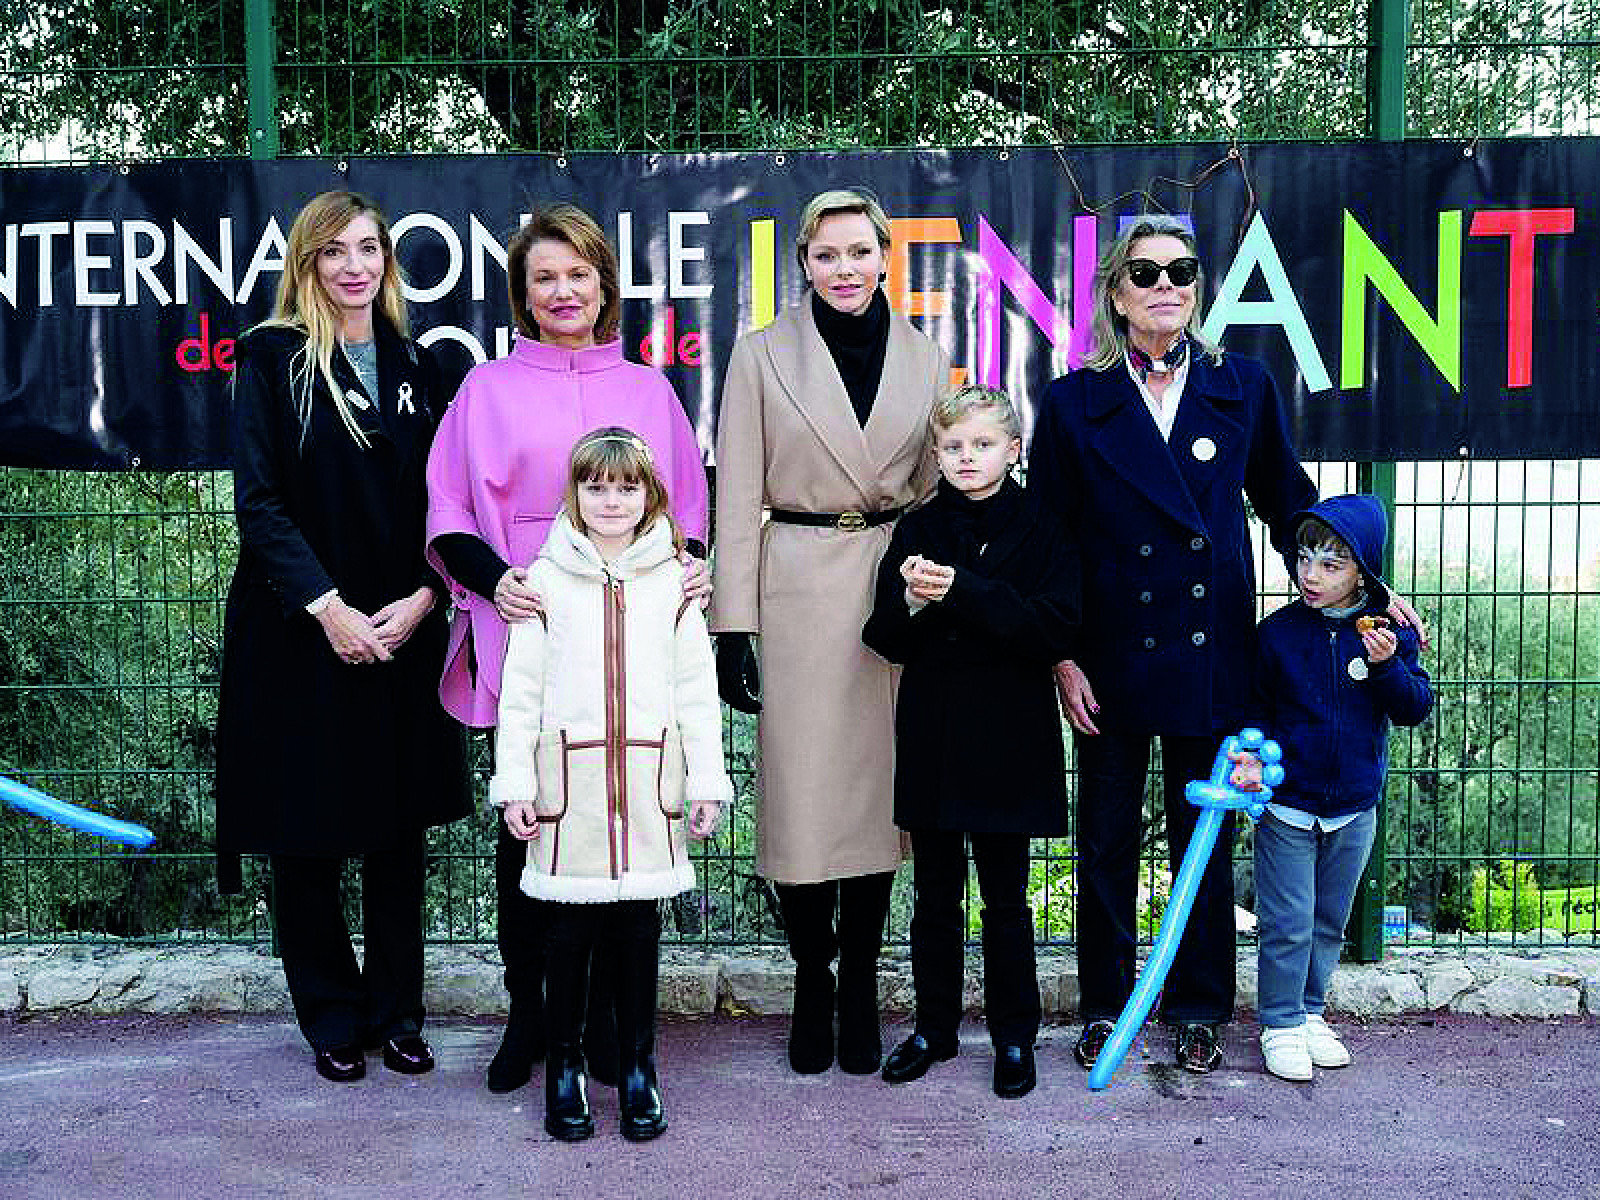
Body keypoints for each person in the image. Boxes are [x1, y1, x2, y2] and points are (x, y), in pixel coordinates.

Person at [425, 204, 710, 1095]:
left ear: (603, 286)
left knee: (627, 828)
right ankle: (533, 1018)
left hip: (633, 652)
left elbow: (688, 514)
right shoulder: (484, 390)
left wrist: (692, 574)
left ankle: (620, 1031)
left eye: (578, 274)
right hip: (531, 623)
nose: (562, 291)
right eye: (544, 277)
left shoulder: (650, 390)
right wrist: (496, 583)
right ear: (523, 291)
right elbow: (449, 512)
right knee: (532, 830)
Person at [1025, 214, 1320, 1075]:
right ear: (1115, 294)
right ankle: (1107, 1005)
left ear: (1198, 288)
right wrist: (1062, 655)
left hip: (1211, 646)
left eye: (1182, 272)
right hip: (1109, 652)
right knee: (1106, 839)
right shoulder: (1074, 401)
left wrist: (1357, 579)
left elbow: (1287, 501)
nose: (1166, 288)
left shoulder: (1245, 386)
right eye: (1146, 274)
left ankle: (1198, 1007)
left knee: (1208, 833)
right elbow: (1053, 538)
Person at [215, 189, 471, 1083]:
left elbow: (448, 504)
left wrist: (424, 598)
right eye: (335, 251)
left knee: (399, 833)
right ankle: (329, 1015)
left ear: (388, 265)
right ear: (307, 265)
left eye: (370, 249)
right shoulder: (269, 358)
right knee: (309, 831)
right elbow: (261, 503)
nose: (354, 266)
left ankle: (397, 1012)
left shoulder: (422, 365)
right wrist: (328, 608)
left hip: (402, 628)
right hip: (301, 634)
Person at [710, 188, 950, 1076]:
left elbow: (939, 491)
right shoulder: (761, 355)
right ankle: (814, 975)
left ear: (884, 254)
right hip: (799, 590)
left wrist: (938, 592)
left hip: (896, 594)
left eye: (859, 253)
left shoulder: (926, 358)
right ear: (802, 262)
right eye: (825, 255)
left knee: (876, 800)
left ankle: (858, 987)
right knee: (805, 798)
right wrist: (731, 624)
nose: (843, 271)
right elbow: (734, 494)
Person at [490, 427, 728, 1142]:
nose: (612, 500)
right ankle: (563, 1069)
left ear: (651, 493)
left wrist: (708, 782)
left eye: (627, 487)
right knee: (566, 935)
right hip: (572, 790)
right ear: (575, 493)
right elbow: (520, 694)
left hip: (650, 786)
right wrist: (514, 784)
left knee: (637, 933)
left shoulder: (676, 581)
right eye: (596, 486)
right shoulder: (543, 581)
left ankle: (636, 1068)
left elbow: (696, 690)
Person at [861, 385, 1079, 1099]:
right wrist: (917, 602)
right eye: (953, 447)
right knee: (933, 895)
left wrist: (963, 592)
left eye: (983, 445)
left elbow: (1054, 627)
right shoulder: (918, 528)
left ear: (1013, 451)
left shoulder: (1045, 524)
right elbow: (882, 636)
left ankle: (1016, 1036)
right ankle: (934, 1027)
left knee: (1008, 900)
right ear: (936, 454)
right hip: (934, 733)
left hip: (1010, 739)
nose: (966, 458)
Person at [1237, 494, 1432, 1081]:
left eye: (1331, 565)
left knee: (1329, 921)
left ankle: (1310, 1011)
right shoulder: (1276, 635)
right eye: (1304, 560)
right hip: (1288, 808)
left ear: (1364, 570)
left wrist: (1388, 665)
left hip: (1354, 808)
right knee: (1288, 921)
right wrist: (1249, 757)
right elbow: (1255, 710)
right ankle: (1278, 1022)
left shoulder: (1391, 633)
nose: (1310, 576)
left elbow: (1413, 708)